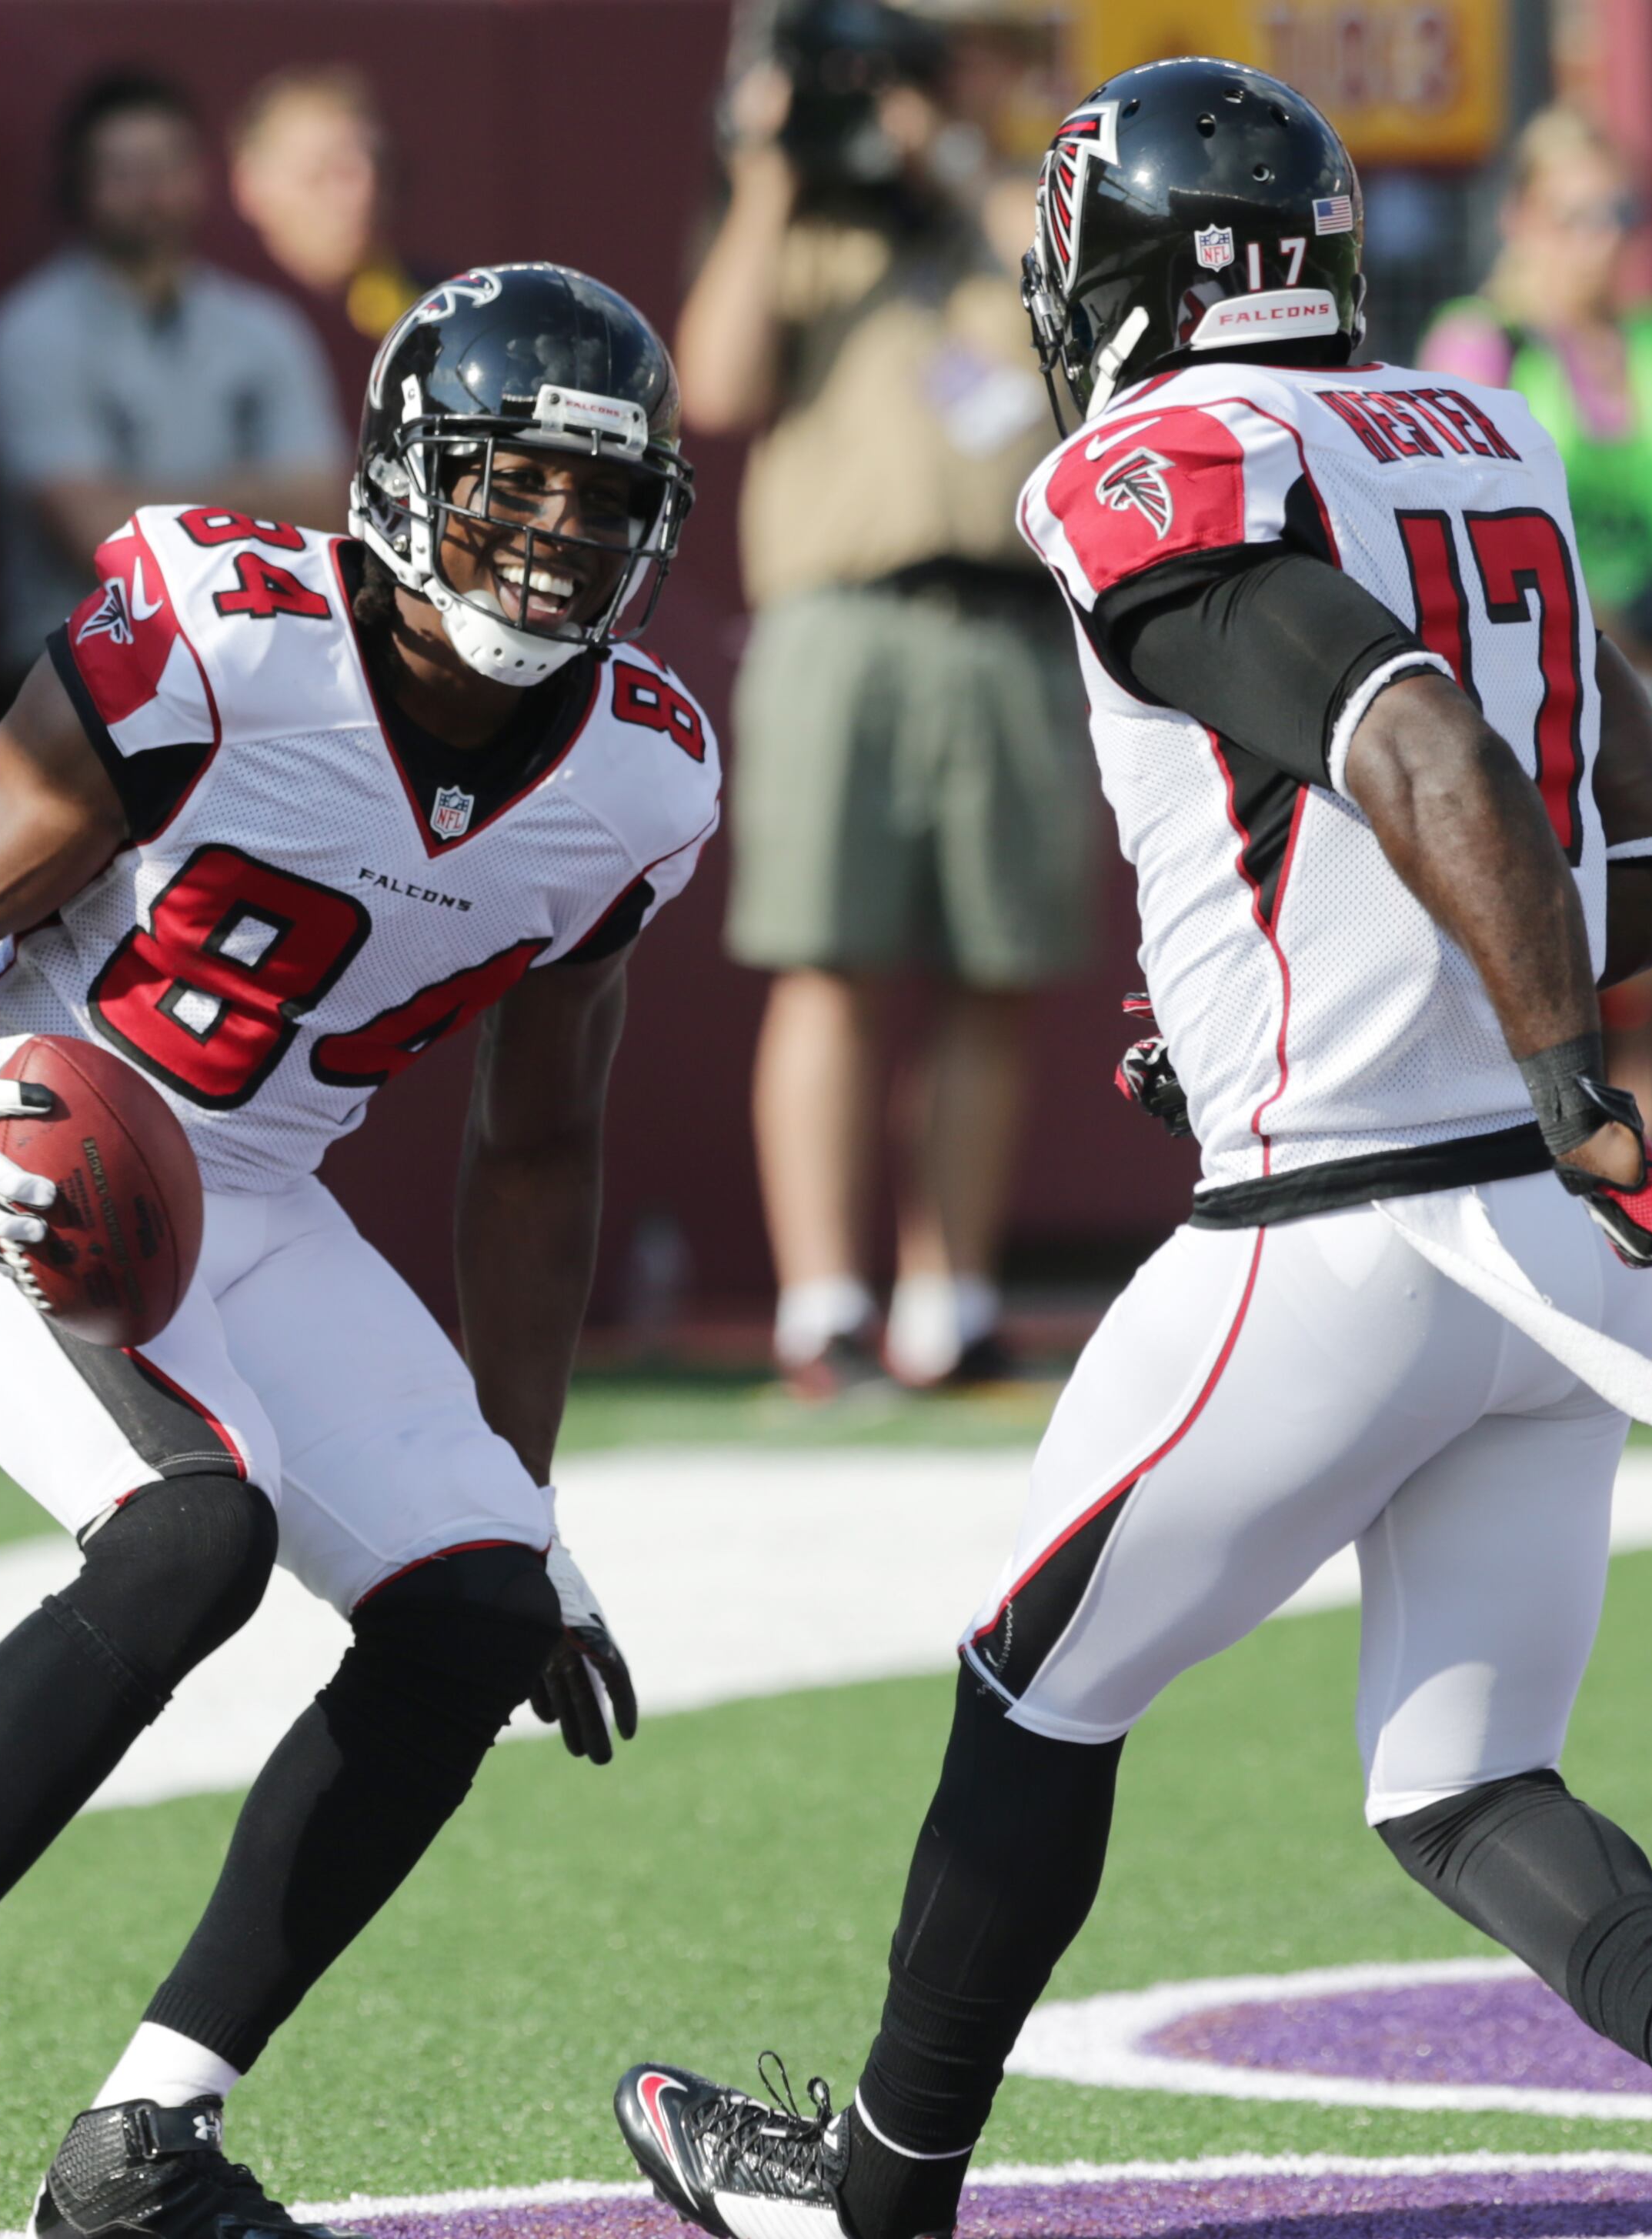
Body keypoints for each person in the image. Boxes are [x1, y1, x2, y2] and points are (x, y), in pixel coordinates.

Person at [612, 64, 1652, 2239]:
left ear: (1125, 268)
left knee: (1037, 1680)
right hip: (1558, 1259)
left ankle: (879, 2190)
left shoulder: (1153, 461)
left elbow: (1412, 737)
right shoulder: (1488, 436)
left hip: (1350, 1234)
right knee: (1463, 1770)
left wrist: (1548, 1062)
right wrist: (1427, 1031)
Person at [0, 265, 714, 2239]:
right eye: (513, 483)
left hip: (258, 1190)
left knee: (476, 1610)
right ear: (404, 471)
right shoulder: (225, 628)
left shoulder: (641, 772)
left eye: (600, 501)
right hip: (26, 1132)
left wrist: (520, 1483)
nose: (556, 535)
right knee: (188, 1536)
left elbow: (538, 1143)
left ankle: (145, 2141)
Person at [676, 0, 1087, 1394]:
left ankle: (950, 1299)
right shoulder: (803, 222)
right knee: (826, 960)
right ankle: (824, 1307)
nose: (937, 74)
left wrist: (956, 159)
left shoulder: (1018, 206)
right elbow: (713, 387)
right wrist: (775, 172)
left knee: (995, 970)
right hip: (837, 619)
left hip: (1010, 620)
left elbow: (1083, 354)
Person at [1418, 106, 1652, 1383]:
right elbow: (1462, 549)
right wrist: (1634, 645)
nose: (1606, 244)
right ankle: (1563, 1274)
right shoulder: (1483, 347)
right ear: (1520, 220)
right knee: (1554, 1013)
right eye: (1579, 215)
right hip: (1538, 735)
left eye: (1624, 216)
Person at [0, 67, 348, 696]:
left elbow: (325, 507)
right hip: (78, 680)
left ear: (203, 176)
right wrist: (261, 502)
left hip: (255, 670)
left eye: (168, 166)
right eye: (124, 172)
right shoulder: (29, 334)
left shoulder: (267, 327)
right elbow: (95, 535)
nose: (152, 193)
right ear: (80, 187)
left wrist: (142, 503)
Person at [229, 68, 429, 348]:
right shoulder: (212, 323)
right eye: (325, 170)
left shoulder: (435, 316)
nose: (363, 194)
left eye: (378, 169)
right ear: (250, 185)